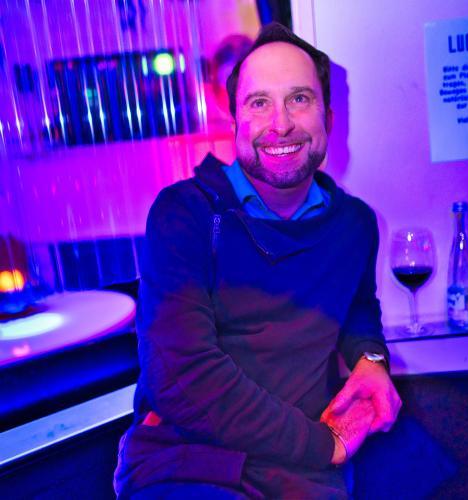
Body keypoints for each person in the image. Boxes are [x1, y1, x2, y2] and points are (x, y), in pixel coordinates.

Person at [114, 22, 401, 499]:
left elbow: (356, 309)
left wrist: (370, 359)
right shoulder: (186, 214)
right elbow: (181, 376)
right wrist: (323, 445)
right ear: (235, 121)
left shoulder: (354, 224)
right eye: (259, 102)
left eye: (299, 99)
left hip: (302, 480)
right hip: (190, 468)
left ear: (328, 117)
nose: (280, 124)